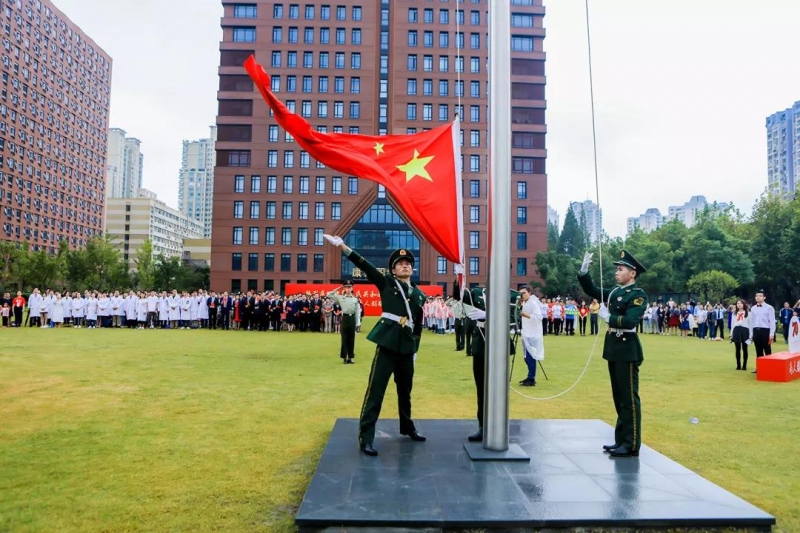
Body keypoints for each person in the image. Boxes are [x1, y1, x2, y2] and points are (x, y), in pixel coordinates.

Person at [325, 234, 427, 457]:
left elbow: (418, 325)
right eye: (400, 264)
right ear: (393, 270)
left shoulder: (420, 295)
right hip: (387, 344)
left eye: (408, 263)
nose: (405, 266)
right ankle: (366, 436)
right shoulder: (387, 283)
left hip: (407, 348)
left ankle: (407, 426)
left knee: (405, 392)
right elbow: (365, 265)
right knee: (376, 391)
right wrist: (344, 247)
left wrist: (415, 349)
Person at [578, 250, 648, 458]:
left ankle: (631, 443)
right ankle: (621, 439)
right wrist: (584, 271)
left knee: (629, 399)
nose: (616, 272)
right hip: (614, 349)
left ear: (632, 273)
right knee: (618, 398)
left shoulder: (638, 295)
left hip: (627, 349)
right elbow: (592, 289)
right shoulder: (615, 292)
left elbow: (630, 321)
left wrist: (608, 317)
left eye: (620, 269)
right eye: (617, 269)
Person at [327, 280, 359, 364]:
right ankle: (344, 357)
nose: (348, 289)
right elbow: (329, 295)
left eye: (350, 287)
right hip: (345, 318)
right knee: (344, 338)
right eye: (347, 287)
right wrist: (337, 289)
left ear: (352, 288)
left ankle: (351, 357)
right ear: (344, 288)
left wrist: (357, 323)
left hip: (352, 319)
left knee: (351, 339)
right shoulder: (340, 298)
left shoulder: (355, 299)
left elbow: (357, 312)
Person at [518, 286, 544, 387]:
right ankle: (529, 376)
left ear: (529, 293)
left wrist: (525, 315)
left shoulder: (533, 303)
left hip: (532, 334)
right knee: (526, 357)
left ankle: (531, 378)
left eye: (524, 293)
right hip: (526, 332)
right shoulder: (525, 303)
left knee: (531, 357)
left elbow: (539, 317)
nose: (522, 295)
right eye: (521, 293)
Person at [749, 289, 776, 372]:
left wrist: (771, 334)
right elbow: (751, 322)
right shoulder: (753, 308)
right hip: (756, 330)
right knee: (758, 350)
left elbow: (772, 322)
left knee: (767, 349)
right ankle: (759, 368)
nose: (758, 297)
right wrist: (751, 334)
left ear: (764, 297)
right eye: (757, 296)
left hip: (765, 330)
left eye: (760, 296)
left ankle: (769, 367)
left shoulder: (769, 308)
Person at [730, 299, 750, 371]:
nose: (739, 305)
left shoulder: (748, 313)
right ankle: (738, 364)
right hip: (736, 330)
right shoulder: (734, 314)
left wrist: (751, 335)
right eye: (738, 303)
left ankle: (744, 365)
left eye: (741, 303)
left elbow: (750, 324)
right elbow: (733, 324)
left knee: (745, 348)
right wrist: (731, 334)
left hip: (745, 330)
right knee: (737, 349)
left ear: (744, 304)